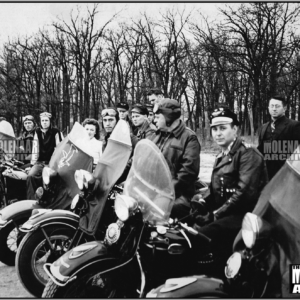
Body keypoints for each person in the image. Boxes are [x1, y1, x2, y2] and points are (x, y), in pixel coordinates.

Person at [192, 107, 268, 257]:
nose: (218, 133)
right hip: (226, 213)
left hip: (246, 216)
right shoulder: (222, 154)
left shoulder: (248, 154)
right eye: (214, 129)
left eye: (223, 128)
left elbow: (244, 193)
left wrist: (215, 215)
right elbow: (214, 189)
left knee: (202, 236)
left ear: (235, 129)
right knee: (183, 227)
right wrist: (201, 204)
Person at [148, 98, 201, 220]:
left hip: (179, 196)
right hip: (154, 191)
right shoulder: (156, 135)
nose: (154, 120)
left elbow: (187, 174)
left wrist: (164, 192)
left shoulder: (189, 138)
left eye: (157, 117)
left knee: (153, 212)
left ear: (168, 118)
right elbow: (140, 160)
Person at [257, 95, 300, 180]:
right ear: (268, 108)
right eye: (272, 106)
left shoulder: (294, 126)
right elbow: (260, 151)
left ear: (284, 108)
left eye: (277, 106)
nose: (274, 109)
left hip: (285, 175)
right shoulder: (263, 127)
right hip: (265, 175)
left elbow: (297, 152)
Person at [26, 112, 64, 199]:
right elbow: (35, 149)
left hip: (51, 163)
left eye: (46, 120)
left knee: (50, 179)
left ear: (50, 121)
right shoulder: (37, 132)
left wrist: (57, 164)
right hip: (40, 162)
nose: (44, 122)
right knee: (31, 176)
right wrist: (32, 165)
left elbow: (60, 149)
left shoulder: (56, 132)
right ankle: (31, 200)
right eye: (42, 120)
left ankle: (51, 201)